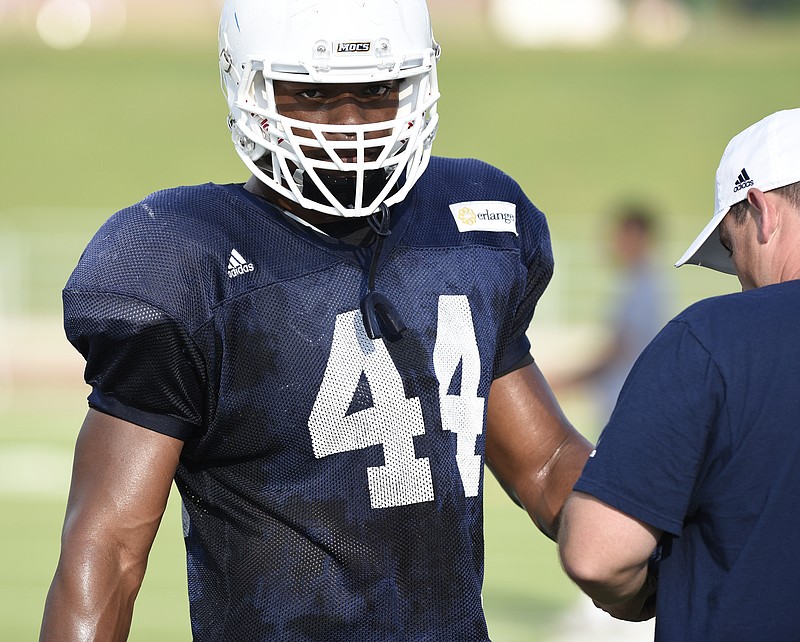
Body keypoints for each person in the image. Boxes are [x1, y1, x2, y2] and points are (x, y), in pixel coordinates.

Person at [39, 1, 592, 640]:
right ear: (249, 85)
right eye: (312, 93)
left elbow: (548, 463)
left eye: (379, 90)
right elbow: (108, 550)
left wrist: (656, 531)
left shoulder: (466, 226)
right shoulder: (189, 259)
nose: (349, 123)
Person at [558, 107, 800, 641]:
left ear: (762, 210)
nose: (739, 274)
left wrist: (638, 593)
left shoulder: (711, 337)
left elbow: (598, 555)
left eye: (730, 248)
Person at [554, 204, 670, 425]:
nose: (615, 243)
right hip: (622, 401)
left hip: (626, 403)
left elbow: (619, 352)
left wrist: (566, 382)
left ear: (637, 236)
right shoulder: (636, 282)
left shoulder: (644, 288)